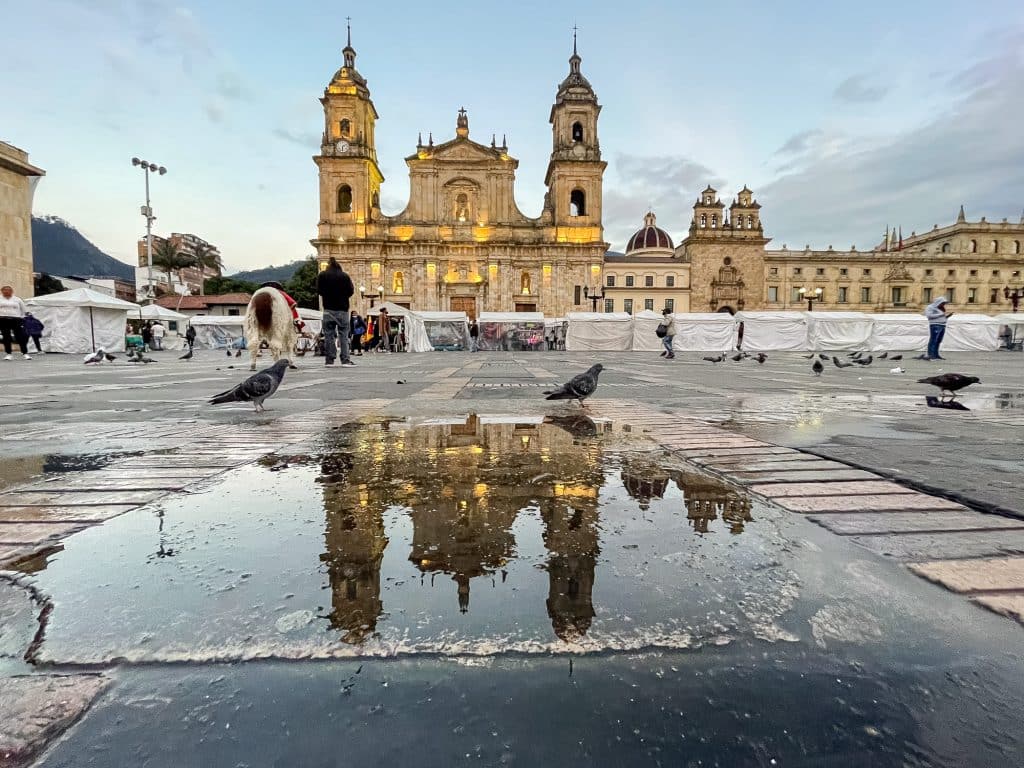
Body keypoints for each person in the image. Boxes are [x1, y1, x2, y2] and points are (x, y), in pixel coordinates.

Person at [315, 257, 355, 367]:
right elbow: (351, 291)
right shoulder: (344, 276)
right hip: (342, 309)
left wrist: (328, 296)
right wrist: (342, 296)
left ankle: (329, 360)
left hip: (328, 309)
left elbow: (319, 290)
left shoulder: (322, 275)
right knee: (344, 335)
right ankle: (345, 360)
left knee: (329, 335)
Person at [0, 285, 31, 360]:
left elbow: (24, 310)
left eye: (8, 290)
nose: (7, 291)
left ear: (12, 291)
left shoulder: (17, 299)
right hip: (3, 319)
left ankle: (25, 353)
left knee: (20, 336)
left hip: (16, 319)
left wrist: (24, 318)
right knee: (6, 337)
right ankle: (8, 354)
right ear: (2, 291)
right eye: (5, 290)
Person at [924, 296, 952, 361]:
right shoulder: (931, 307)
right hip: (935, 325)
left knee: (938, 341)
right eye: (943, 303)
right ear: (939, 302)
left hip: (942, 325)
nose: (943, 304)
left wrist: (947, 317)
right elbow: (929, 316)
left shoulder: (940, 308)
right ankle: (931, 355)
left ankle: (936, 355)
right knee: (933, 340)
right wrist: (941, 315)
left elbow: (941, 317)